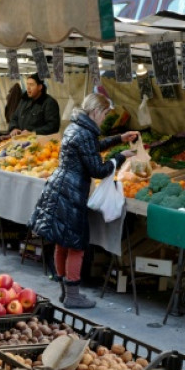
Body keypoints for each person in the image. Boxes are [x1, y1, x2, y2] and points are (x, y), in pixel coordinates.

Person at [29, 94, 139, 308]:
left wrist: (118, 139)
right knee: (76, 245)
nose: (104, 118)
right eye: (105, 114)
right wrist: (121, 157)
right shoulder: (86, 133)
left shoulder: (75, 127)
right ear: (96, 111)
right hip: (71, 192)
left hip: (60, 188)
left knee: (62, 242)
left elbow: (91, 149)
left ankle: (64, 291)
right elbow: (98, 170)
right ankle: (73, 295)